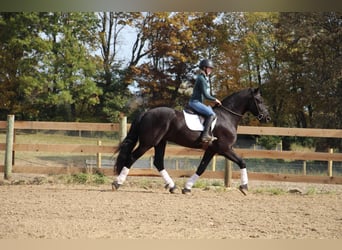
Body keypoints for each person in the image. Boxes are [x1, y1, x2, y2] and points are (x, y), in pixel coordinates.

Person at [188, 59, 222, 142]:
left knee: (211, 110)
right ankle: (205, 135)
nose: (211, 70)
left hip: (198, 102)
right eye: (209, 68)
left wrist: (212, 101)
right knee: (211, 114)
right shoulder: (201, 79)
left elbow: (205, 95)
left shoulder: (203, 78)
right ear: (204, 68)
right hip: (195, 102)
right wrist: (215, 99)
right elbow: (206, 95)